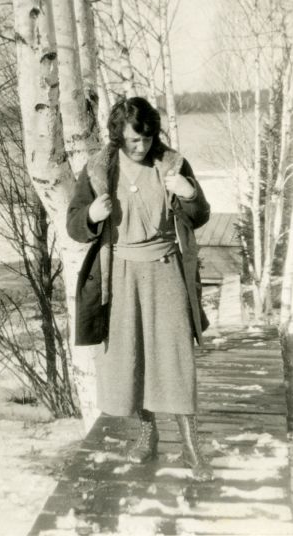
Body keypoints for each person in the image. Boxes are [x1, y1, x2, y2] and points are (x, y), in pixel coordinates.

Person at [66, 97, 214, 481]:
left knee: (176, 356)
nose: (141, 146)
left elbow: (199, 217)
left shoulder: (172, 164)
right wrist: (91, 217)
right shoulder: (99, 169)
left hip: (165, 271)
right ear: (117, 136)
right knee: (134, 355)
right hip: (121, 272)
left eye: (147, 138)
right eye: (133, 140)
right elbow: (73, 224)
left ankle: (191, 448)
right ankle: (147, 435)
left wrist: (189, 193)